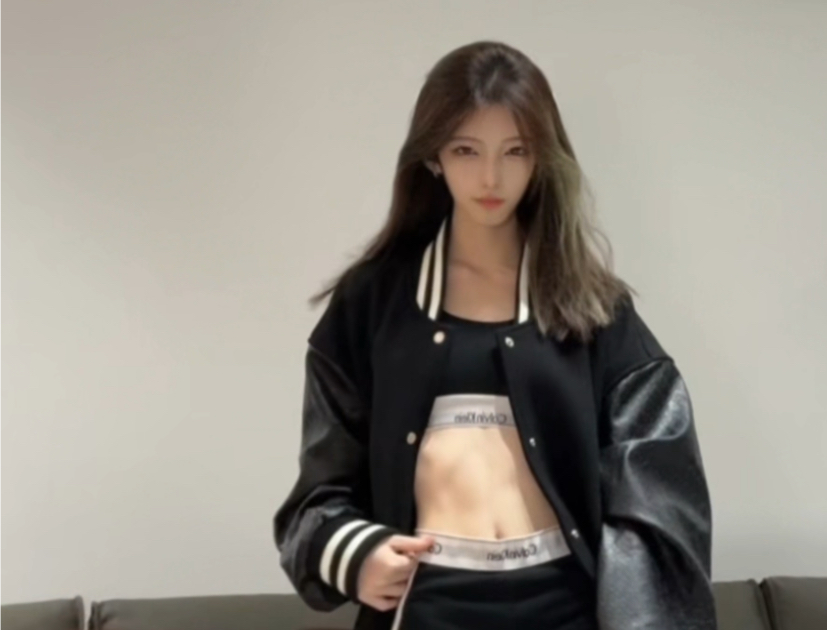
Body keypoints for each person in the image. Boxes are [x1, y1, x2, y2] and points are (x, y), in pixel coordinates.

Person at [273, 40, 716, 630]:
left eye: (515, 151)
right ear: (433, 155)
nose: (490, 176)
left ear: (541, 159)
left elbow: (661, 477)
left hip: (564, 606)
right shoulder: (372, 303)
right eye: (466, 149)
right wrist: (358, 557)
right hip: (426, 606)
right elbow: (317, 493)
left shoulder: (593, 306)